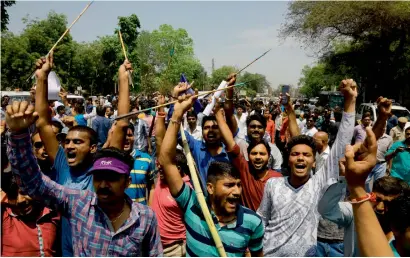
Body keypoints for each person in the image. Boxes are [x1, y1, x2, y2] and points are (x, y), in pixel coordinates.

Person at [257, 79, 356, 256]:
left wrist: (350, 101)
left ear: (314, 162)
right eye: (295, 154)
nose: (300, 158)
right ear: (288, 160)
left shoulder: (318, 184)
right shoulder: (273, 184)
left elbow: (341, 143)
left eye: (306, 155)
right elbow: (262, 219)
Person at [159, 92, 264, 257]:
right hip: (203, 205)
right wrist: (176, 112)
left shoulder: (253, 223)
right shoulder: (192, 207)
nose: (236, 191)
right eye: (207, 127)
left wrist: (222, 105)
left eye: (238, 185)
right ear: (210, 187)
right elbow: (166, 159)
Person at [215, 106, 282, 211]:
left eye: (262, 154)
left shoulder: (278, 178)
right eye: (254, 153)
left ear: (269, 156)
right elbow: (229, 140)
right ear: (248, 155)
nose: (258, 157)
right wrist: (217, 113)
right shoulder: (245, 169)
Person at [1, 173, 61, 257]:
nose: (20, 200)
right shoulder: (4, 215)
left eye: (24, 192)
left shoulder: (52, 213)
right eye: (13, 196)